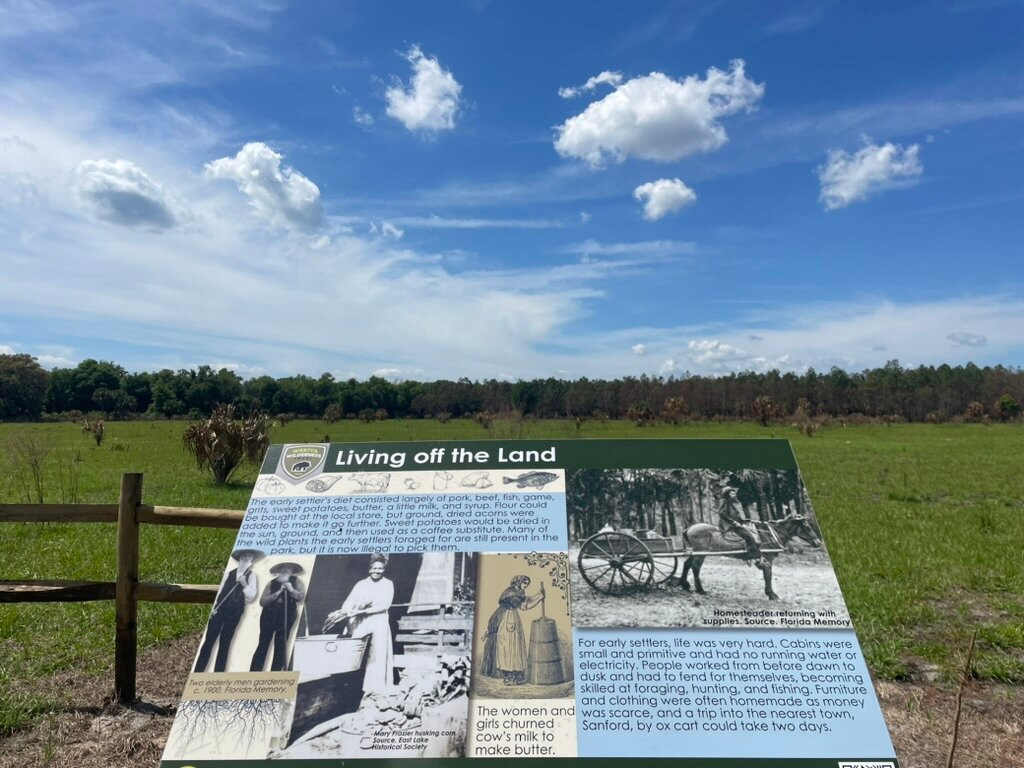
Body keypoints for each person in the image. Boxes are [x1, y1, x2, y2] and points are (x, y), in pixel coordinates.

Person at [325, 554, 395, 695]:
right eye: (374, 568)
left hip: (378, 620)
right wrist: (344, 612)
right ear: (369, 569)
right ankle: (351, 686)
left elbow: (385, 605)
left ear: (384, 570)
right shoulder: (361, 584)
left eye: (380, 569)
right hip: (361, 621)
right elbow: (349, 601)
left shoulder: (388, 584)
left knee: (378, 653)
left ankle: (375, 688)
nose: (377, 571)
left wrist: (363, 611)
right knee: (356, 650)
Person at [194, 548, 262, 672]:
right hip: (219, 611)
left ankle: (218, 674)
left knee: (225, 643)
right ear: (239, 558)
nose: (246, 558)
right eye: (244, 556)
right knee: (209, 642)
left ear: (252, 560)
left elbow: (251, 597)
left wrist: (244, 584)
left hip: (235, 612)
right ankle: (198, 671)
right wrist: (213, 608)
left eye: (249, 556)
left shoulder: (252, 576)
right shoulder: (229, 574)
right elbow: (220, 592)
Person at [481, 575, 543, 685]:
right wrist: (539, 599)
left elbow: (527, 599)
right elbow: (524, 606)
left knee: (514, 646)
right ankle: (510, 677)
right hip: (507, 619)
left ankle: (514, 676)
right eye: (525, 583)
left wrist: (538, 594)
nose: (526, 586)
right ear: (518, 582)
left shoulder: (517, 591)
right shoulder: (511, 593)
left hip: (511, 617)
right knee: (510, 647)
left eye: (527, 584)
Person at [250, 562, 306, 672]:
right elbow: (262, 601)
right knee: (263, 644)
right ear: (279, 570)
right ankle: (254, 673)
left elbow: (300, 597)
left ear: (292, 571)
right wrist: (278, 592)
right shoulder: (271, 583)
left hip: (287, 617)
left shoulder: (296, 581)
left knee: (281, 645)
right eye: (283, 568)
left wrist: (291, 589)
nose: (286, 570)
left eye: (289, 569)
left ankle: (275, 674)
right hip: (269, 616)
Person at [717, 487, 767, 569]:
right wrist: (734, 522)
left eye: (734, 493)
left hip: (736, 524)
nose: (734, 494)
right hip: (729, 525)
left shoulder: (733, 502)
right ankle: (754, 557)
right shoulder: (725, 502)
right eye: (732, 493)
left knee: (754, 532)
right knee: (749, 536)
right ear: (727, 494)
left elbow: (736, 515)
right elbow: (722, 513)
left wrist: (745, 521)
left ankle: (749, 553)